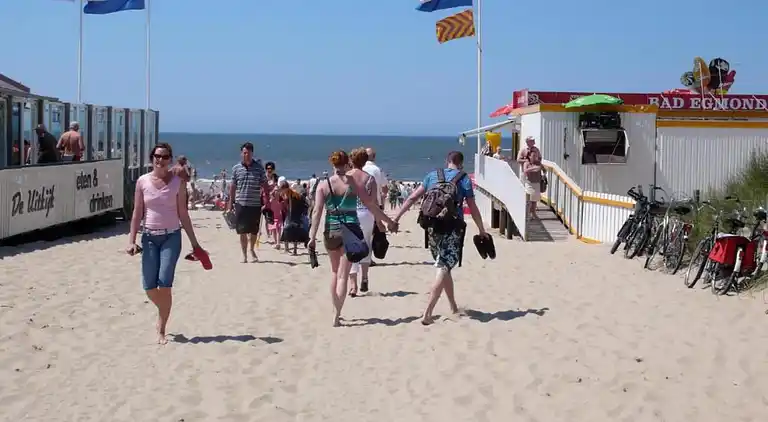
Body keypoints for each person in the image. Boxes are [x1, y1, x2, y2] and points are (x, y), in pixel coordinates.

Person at [394, 151, 488, 326]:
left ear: (447, 161)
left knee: (443, 266)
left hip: (431, 227)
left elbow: (413, 197)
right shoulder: (464, 179)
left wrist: (397, 218)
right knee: (443, 266)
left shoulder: (432, 176)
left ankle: (453, 306)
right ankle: (427, 313)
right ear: (461, 163)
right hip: (453, 227)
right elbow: (473, 206)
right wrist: (481, 230)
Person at [308, 150, 398, 327]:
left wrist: (312, 237)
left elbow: (317, 212)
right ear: (347, 163)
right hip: (350, 230)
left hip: (331, 230)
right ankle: (337, 314)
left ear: (332, 164)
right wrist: (389, 222)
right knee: (343, 275)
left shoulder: (324, 185)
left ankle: (335, 310)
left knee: (334, 273)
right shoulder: (353, 183)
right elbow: (371, 205)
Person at [126, 142, 205, 344]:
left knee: (164, 283)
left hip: (172, 237)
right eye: (157, 156)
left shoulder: (178, 183)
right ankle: (164, 309)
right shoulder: (142, 181)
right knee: (149, 287)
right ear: (152, 158)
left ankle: (161, 329)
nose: (160, 160)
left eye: (164, 157)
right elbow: (137, 212)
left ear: (170, 159)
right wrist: (131, 240)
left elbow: (183, 214)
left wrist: (195, 244)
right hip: (149, 238)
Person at [347, 147, 383, 296]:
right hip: (367, 214)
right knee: (366, 244)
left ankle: (353, 285)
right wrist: (379, 221)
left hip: (351, 214)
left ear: (351, 160)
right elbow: (373, 203)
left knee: (351, 248)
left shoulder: (347, 177)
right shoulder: (370, 178)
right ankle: (365, 278)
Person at [226, 142, 267, 263]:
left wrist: (267, 201)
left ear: (252, 153)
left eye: (248, 153)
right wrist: (230, 203)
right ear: (241, 153)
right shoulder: (236, 168)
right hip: (241, 204)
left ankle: (252, 249)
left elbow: (264, 185)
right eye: (244, 153)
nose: (246, 155)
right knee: (242, 231)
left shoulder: (259, 168)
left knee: (254, 231)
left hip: (255, 204)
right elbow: (233, 187)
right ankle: (244, 254)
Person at [278, 179, 310, 255]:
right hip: (290, 213)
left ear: (286, 188)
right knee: (286, 229)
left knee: (294, 229)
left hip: (296, 213)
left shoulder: (293, 194)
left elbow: (303, 202)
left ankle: (295, 250)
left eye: (282, 189)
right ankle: (286, 249)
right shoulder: (286, 194)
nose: (281, 191)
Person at [517, 136, 545, 220]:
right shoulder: (523, 150)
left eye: (534, 140)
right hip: (526, 175)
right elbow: (518, 160)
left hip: (535, 177)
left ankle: (533, 212)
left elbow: (540, 159)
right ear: (528, 142)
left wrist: (536, 161)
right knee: (527, 196)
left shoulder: (536, 150)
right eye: (532, 141)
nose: (534, 142)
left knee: (534, 197)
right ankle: (527, 213)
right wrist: (526, 161)